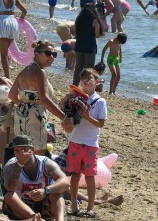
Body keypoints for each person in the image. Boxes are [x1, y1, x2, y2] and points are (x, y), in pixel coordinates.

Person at [63, 68, 107, 219]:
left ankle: (90, 207)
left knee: (89, 177)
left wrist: (87, 117)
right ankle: (74, 205)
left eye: (89, 79)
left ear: (97, 82)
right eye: (83, 79)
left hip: (90, 144)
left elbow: (100, 124)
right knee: (74, 176)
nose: (86, 81)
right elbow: (65, 112)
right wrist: (66, 99)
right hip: (75, 141)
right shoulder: (76, 98)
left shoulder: (100, 101)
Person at [9, 40, 67, 153]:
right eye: (48, 53)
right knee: (37, 155)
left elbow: (11, 95)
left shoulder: (24, 71)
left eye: (54, 54)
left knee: (23, 154)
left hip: (21, 115)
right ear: (36, 53)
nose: (52, 57)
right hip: (36, 117)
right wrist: (63, 117)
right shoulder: (40, 72)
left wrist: (24, 104)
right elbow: (44, 98)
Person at [2, 135, 69, 221]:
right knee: (9, 196)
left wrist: (45, 190)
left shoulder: (45, 163)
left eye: (24, 149)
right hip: (22, 205)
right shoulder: (11, 165)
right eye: (17, 150)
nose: (20, 153)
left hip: (43, 202)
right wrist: (20, 165)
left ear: (32, 150)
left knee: (57, 193)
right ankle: (36, 218)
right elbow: (9, 188)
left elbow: (65, 182)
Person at [71, 5, 103, 85]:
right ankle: (86, 86)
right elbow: (97, 35)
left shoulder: (78, 19)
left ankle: (75, 85)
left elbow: (74, 32)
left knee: (78, 67)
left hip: (79, 46)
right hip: (89, 47)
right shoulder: (94, 21)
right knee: (88, 69)